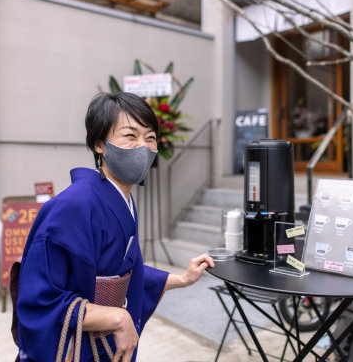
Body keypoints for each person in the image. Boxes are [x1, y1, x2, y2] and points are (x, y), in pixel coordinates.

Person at [15, 92, 214, 362]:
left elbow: (126, 272)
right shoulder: (73, 205)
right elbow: (40, 298)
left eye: (151, 138)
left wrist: (181, 279)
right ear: (100, 145)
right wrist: (118, 317)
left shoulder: (125, 200)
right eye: (130, 136)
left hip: (108, 344)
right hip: (82, 348)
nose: (143, 146)